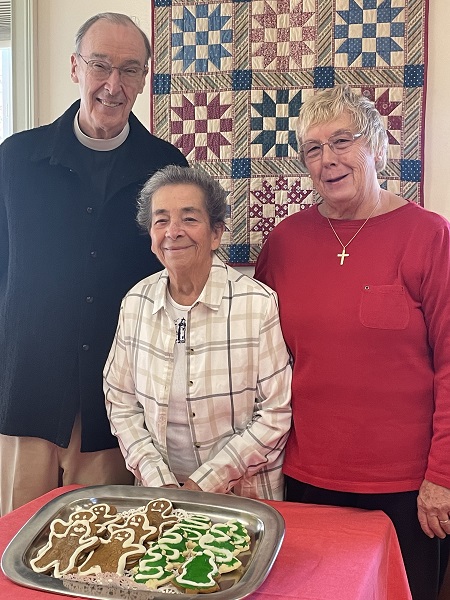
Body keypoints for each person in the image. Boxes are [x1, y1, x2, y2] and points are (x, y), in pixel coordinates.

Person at [254, 84, 450, 600]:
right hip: (306, 476)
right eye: (313, 149)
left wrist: (443, 475)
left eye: (342, 141)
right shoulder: (285, 242)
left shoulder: (429, 236)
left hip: (407, 488)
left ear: (378, 147)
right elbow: (257, 355)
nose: (328, 160)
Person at [0, 12, 188, 516]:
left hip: (119, 401)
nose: (113, 84)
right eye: (100, 65)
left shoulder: (168, 169)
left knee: (102, 555)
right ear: (74, 67)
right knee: (19, 550)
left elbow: (177, 283)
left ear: (145, 79)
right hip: (28, 390)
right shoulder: (15, 160)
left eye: (129, 69)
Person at [103, 165, 292, 499]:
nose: (173, 232)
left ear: (216, 233)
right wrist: (159, 480)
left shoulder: (258, 304)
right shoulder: (135, 303)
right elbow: (120, 401)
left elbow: (275, 413)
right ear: (151, 236)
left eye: (189, 219)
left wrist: (201, 485)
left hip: (241, 497)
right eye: (161, 220)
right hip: (158, 497)